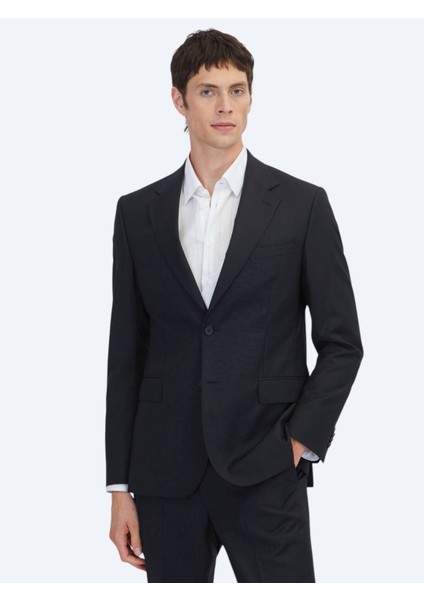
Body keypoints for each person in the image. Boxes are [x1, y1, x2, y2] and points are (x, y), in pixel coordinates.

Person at [105, 28, 364, 583]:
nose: (225, 106)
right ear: (179, 100)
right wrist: (120, 486)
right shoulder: (137, 213)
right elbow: (126, 354)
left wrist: (299, 443)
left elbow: (343, 343)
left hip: (266, 468)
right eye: (208, 91)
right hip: (165, 475)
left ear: (249, 97)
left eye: (237, 90)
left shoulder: (302, 206)